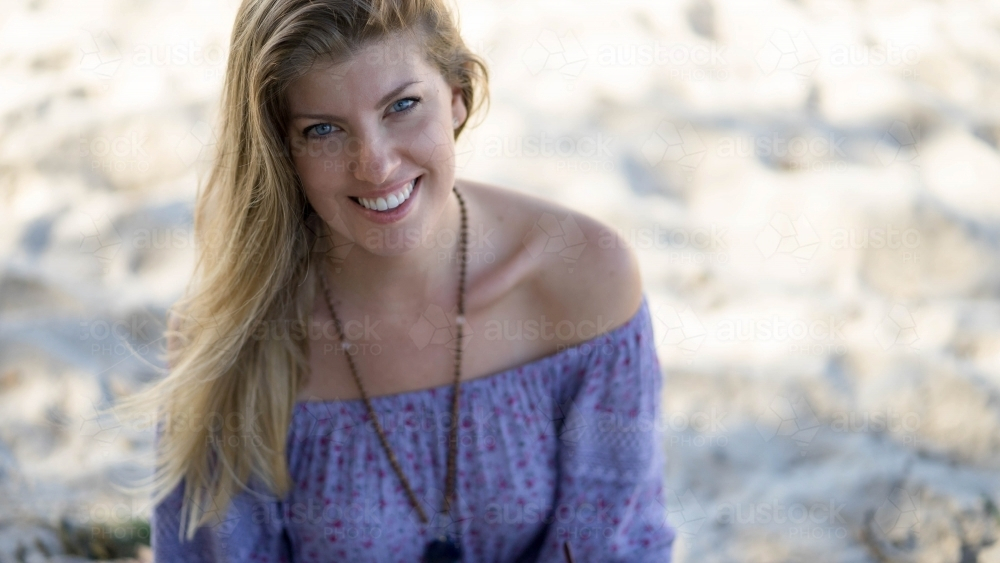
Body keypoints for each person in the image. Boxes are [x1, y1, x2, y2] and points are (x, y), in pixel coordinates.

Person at [146, 0, 676, 560]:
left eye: (402, 105)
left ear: (456, 97)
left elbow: (615, 543)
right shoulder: (236, 338)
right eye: (323, 129)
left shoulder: (584, 279)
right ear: (284, 149)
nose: (374, 165)